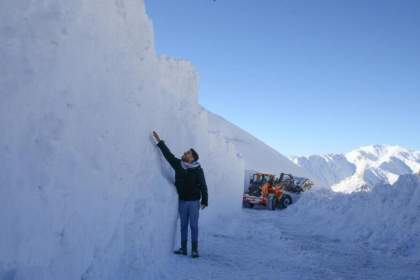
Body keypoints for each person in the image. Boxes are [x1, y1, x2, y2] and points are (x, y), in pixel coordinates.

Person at [152, 131, 208, 258]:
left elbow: (203, 186)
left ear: (192, 157)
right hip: (182, 201)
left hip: (194, 202)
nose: (184, 153)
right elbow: (168, 155)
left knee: (193, 225)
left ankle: (194, 249)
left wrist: (205, 200)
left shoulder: (198, 170)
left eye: (187, 153)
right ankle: (183, 248)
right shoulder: (178, 165)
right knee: (183, 225)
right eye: (185, 152)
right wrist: (160, 141)